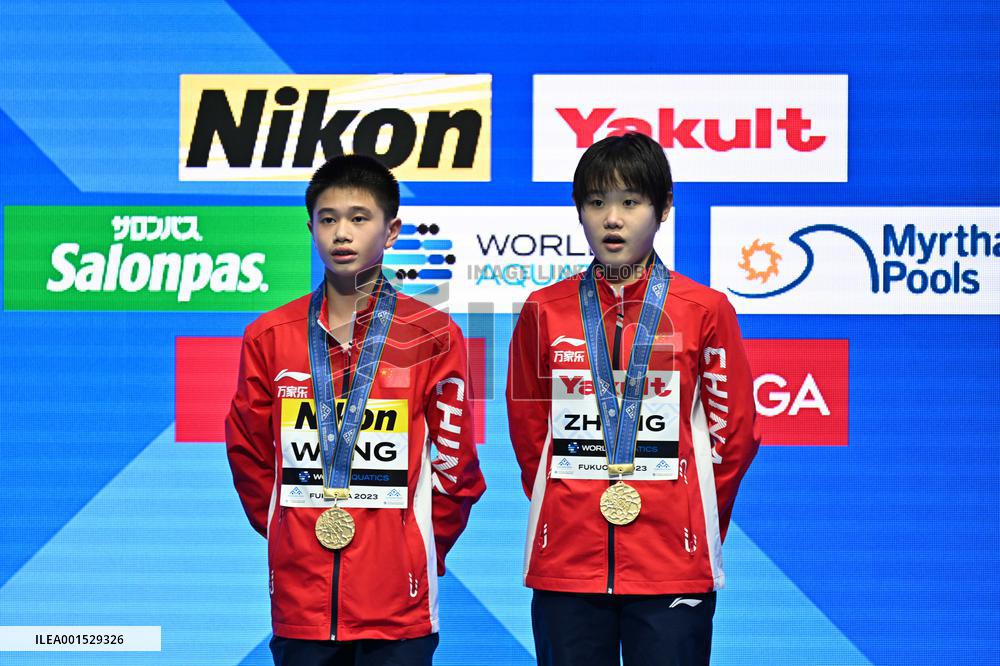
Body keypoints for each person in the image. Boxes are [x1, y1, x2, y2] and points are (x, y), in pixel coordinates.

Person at [506, 133, 760, 666]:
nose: (612, 219)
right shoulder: (543, 310)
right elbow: (530, 433)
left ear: (663, 209)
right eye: (596, 203)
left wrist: (692, 518)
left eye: (630, 202)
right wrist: (569, 500)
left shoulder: (704, 309)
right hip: (568, 559)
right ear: (579, 212)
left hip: (673, 560)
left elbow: (733, 436)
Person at [226, 154, 486, 666]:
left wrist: (409, 546)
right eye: (328, 219)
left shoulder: (433, 336)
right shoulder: (269, 336)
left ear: (391, 232)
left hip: (399, 604)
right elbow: (248, 455)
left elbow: (457, 470)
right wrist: (292, 533)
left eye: (358, 218)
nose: (341, 232)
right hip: (302, 600)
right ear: (310, 228)